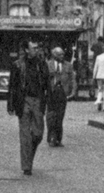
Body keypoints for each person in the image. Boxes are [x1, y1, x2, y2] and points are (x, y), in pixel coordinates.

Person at [7, 40, 49, 175]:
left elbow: (47, 83)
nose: (37, 50)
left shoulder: (42, 64)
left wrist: (49, 101)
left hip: (38, 101)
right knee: (25, 135)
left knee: (38, 134)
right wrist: (10, 104)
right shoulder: (18, 65)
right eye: (34, 48)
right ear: (26, 50)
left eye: (37, 47)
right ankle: (27, 166)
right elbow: (12, 86)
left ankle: (28, 156)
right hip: (23, 101)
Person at [44, 46, 75, 147]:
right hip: (51, 93)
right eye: (59, 55)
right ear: (54, 55)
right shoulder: (48, 64)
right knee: (51, 116)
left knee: (60, 117)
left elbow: (72, 79)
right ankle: (51, 138)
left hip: (62, 93)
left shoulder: (68, 65)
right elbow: (43, 79)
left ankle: (58, 138)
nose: (62, 56)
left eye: (63, 54)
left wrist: (73, 91)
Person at [92, 43, 104, 112]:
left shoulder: (98, 57)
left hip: (99, 75)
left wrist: (94, 76)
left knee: (99, 90)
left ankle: (99, 105)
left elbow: (95, 67)